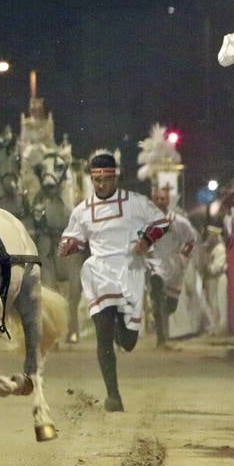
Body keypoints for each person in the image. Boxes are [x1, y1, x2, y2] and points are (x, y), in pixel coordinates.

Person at [60, 150, 172, 411]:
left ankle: (126, 330)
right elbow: (73, 239)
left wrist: (146, 240)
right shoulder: (82, 211)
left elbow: (163, 222)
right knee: (103, 334)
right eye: (97, 181)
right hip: (98, 273)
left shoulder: (135, 202)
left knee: (128, 342)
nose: (101, 185)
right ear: (91, 179)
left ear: (115, 178)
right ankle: (113, 395)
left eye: (106, 180)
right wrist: (68, 246)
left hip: (129, 270)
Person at [145, 183, 198, 348]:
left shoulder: (179, 222)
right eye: (157, 198)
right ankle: (162, 338)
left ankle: (161, 325)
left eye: (163, 199)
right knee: (157, 295)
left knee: (170, 306)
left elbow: (191, 241)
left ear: (168, 201)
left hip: (174, 266)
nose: (160, 201)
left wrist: (183, 256)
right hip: (155, 263)